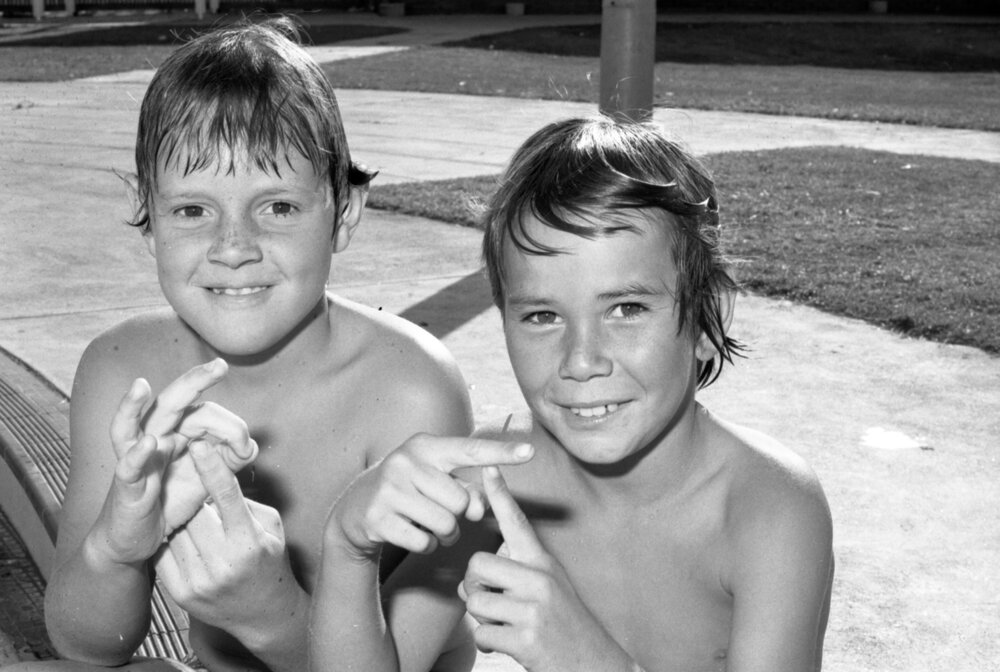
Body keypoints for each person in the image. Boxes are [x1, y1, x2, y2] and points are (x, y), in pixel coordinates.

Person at [9, 17, 513, 672]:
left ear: (344, 212)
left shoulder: (409, 391)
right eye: (193, 210)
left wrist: (266, 610)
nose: (234, 247)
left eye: (277, 207)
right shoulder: (123, 374)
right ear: (149, 217)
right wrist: (116, 548)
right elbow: (84, 644)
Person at [312, 116, 835, 672]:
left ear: (708, 320)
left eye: (626, 309)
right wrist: (347, 547)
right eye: (542, 315)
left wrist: (583, 658)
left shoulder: (768, 509)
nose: (581, 361)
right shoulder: (500, 481)